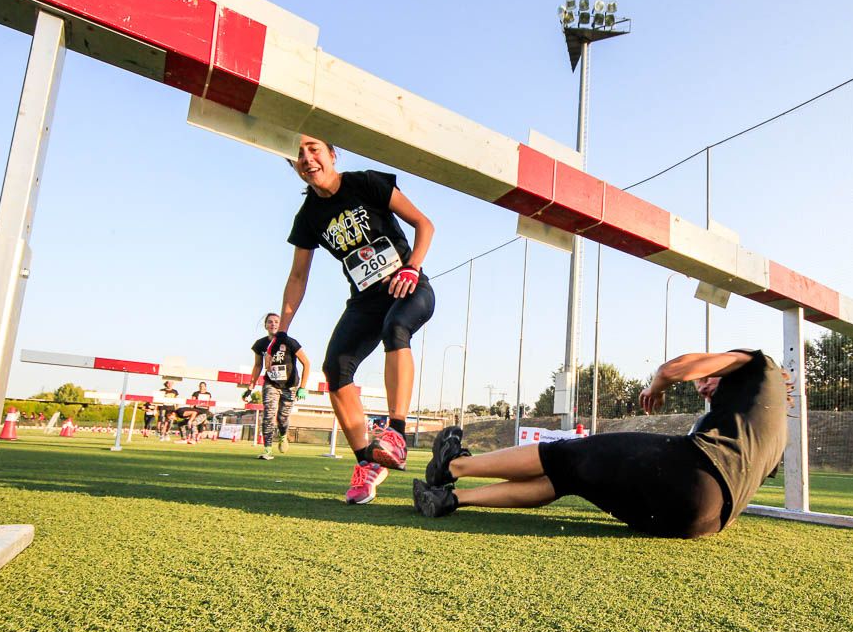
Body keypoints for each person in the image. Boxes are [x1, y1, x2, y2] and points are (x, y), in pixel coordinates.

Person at [413, 350, 790, 539]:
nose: (704, 387)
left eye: (708, 378)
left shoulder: (760, 364)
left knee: (567, 452)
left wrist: (658, 385)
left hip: (694, 477)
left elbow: (671, 370)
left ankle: (453, 466)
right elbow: (762, 472)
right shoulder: (762, 428)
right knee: (571, 478)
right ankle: (452, 500)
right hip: (702, 523)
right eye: (700, 386)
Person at [274, 134, 435, 504]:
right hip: (365, 301)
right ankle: (366, 463)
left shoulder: (365, 182)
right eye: (299, 154)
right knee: (335, 368)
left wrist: (412, 268)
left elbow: (424, 224)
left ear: (332, 154)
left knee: (396, 328)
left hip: (408, 287)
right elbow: (298, 277)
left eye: (313, 149)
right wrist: (281, 334)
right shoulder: (309, 216)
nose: (306, 158)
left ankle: (395, 432)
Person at [245, 313, 311, 461]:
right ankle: (267, 448)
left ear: (281, 325)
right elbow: (257, 365)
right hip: (271, 383)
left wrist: (303, 387)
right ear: (265, 325)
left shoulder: (290, 342)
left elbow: (306, 363)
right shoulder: (260, 344)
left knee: (282, 417)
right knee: (268, 415)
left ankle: (283, 435)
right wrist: (250, 387)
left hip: (289, 385)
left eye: (276, 322)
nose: (273, 324)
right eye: (270, 322)